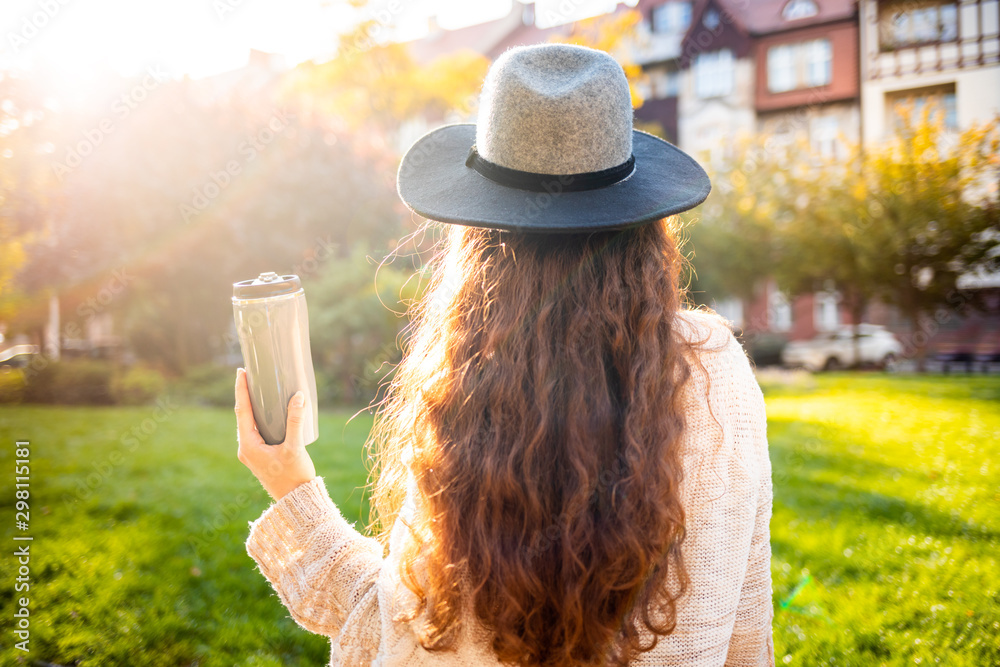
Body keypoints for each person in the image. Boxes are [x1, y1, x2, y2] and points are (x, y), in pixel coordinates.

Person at [235, 43, 775, 666]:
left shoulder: (469, 386)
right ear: (644, 224)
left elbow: (397, 639)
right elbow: (745, 626)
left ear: (479, 240)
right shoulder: (714, 370)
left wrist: (289, 480)